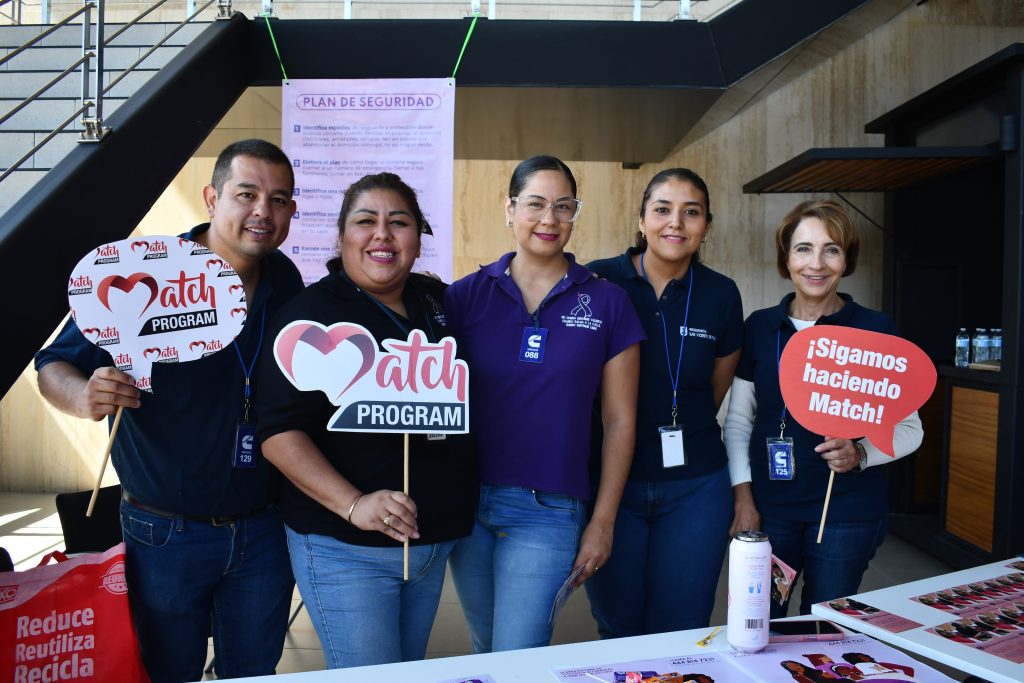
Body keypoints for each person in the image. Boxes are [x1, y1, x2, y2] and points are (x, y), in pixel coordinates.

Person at [34, 139, 302, 682]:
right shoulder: (148, 273)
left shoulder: (285, 281)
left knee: (253, 670)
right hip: (164, 532)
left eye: (279, 200)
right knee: (166, 671)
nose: (262, 212)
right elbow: (53, 367)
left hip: (264, 529)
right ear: (211, 197)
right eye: (246, 194)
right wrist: (85, 396)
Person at [255, 172, 477, 668]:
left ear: (418, 239)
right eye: (365, 221)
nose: (382, 234)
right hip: (345, 548)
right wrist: (354, 503)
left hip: (428, 546)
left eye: (399, 222)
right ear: (341, 236)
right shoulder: (309, 316)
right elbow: (277, 433)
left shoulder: (436, 303)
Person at [445, 155, 644, 652]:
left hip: (549, 508)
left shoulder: (607, 302)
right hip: (467, 500)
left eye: (563, 206)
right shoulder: (463, 297)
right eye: (535, 204)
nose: (549, 219)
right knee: (485, 643)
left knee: (519, 652)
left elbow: (620, 420)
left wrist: (602, 522)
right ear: (510, 210)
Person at [723, 199, 923, 617]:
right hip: (769, 510)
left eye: (831, 249)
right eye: (803, 249)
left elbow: (910, 428)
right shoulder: (760, 326)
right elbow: (739, 422)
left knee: (824, 629)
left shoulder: (875, 330)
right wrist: (743, 496)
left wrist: (862, 453)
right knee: (761, 621)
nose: (817, 263)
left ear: (846, 259)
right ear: (786, 257)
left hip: (845, 513)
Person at [584, 168, 743, 636]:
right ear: (641, 219)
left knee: (684, 627)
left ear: (706, 225)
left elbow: (715, 388)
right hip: (612, 484)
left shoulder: (720, 294)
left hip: (696, 486)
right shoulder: (598, 282)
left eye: (691, 212)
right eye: (662, 210)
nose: (676, 223)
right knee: (618, 624)